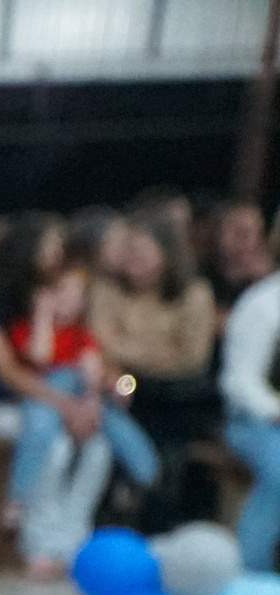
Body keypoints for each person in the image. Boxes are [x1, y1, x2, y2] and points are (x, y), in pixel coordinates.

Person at [0, 212, 158, 574]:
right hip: (16, 406)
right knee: (55, 451)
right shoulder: (1, 310)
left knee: (98, 451)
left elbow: (112, 371)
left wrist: (119, 387)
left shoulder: (76, 321)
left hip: (76, 405)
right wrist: (69, 406)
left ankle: (73, 541)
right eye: (53, 246)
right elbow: (15, 373)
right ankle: (34, 543)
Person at [93, 205, 221, 529]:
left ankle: (159, 518)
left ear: (167, 252)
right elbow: (99, 342)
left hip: (176, 395)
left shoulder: (195, 294)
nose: (131, 259)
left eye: (140, 251)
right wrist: (156, 350)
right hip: (123, 385)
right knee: (120, 395)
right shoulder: (106, 290)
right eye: (128, 251)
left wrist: (129, 348)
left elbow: (190, 358)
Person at [222, 264, 280, 571]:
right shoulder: (263, 304)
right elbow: (239, 383)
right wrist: (274, 410)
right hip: (255, 423)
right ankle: (250, 574)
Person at [206, 199, 274, 316]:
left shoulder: (270, 279)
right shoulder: (203, 277)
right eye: (238, 232)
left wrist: (263, 281)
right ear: (218, 234)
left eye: (250, 234)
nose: (243, 241)